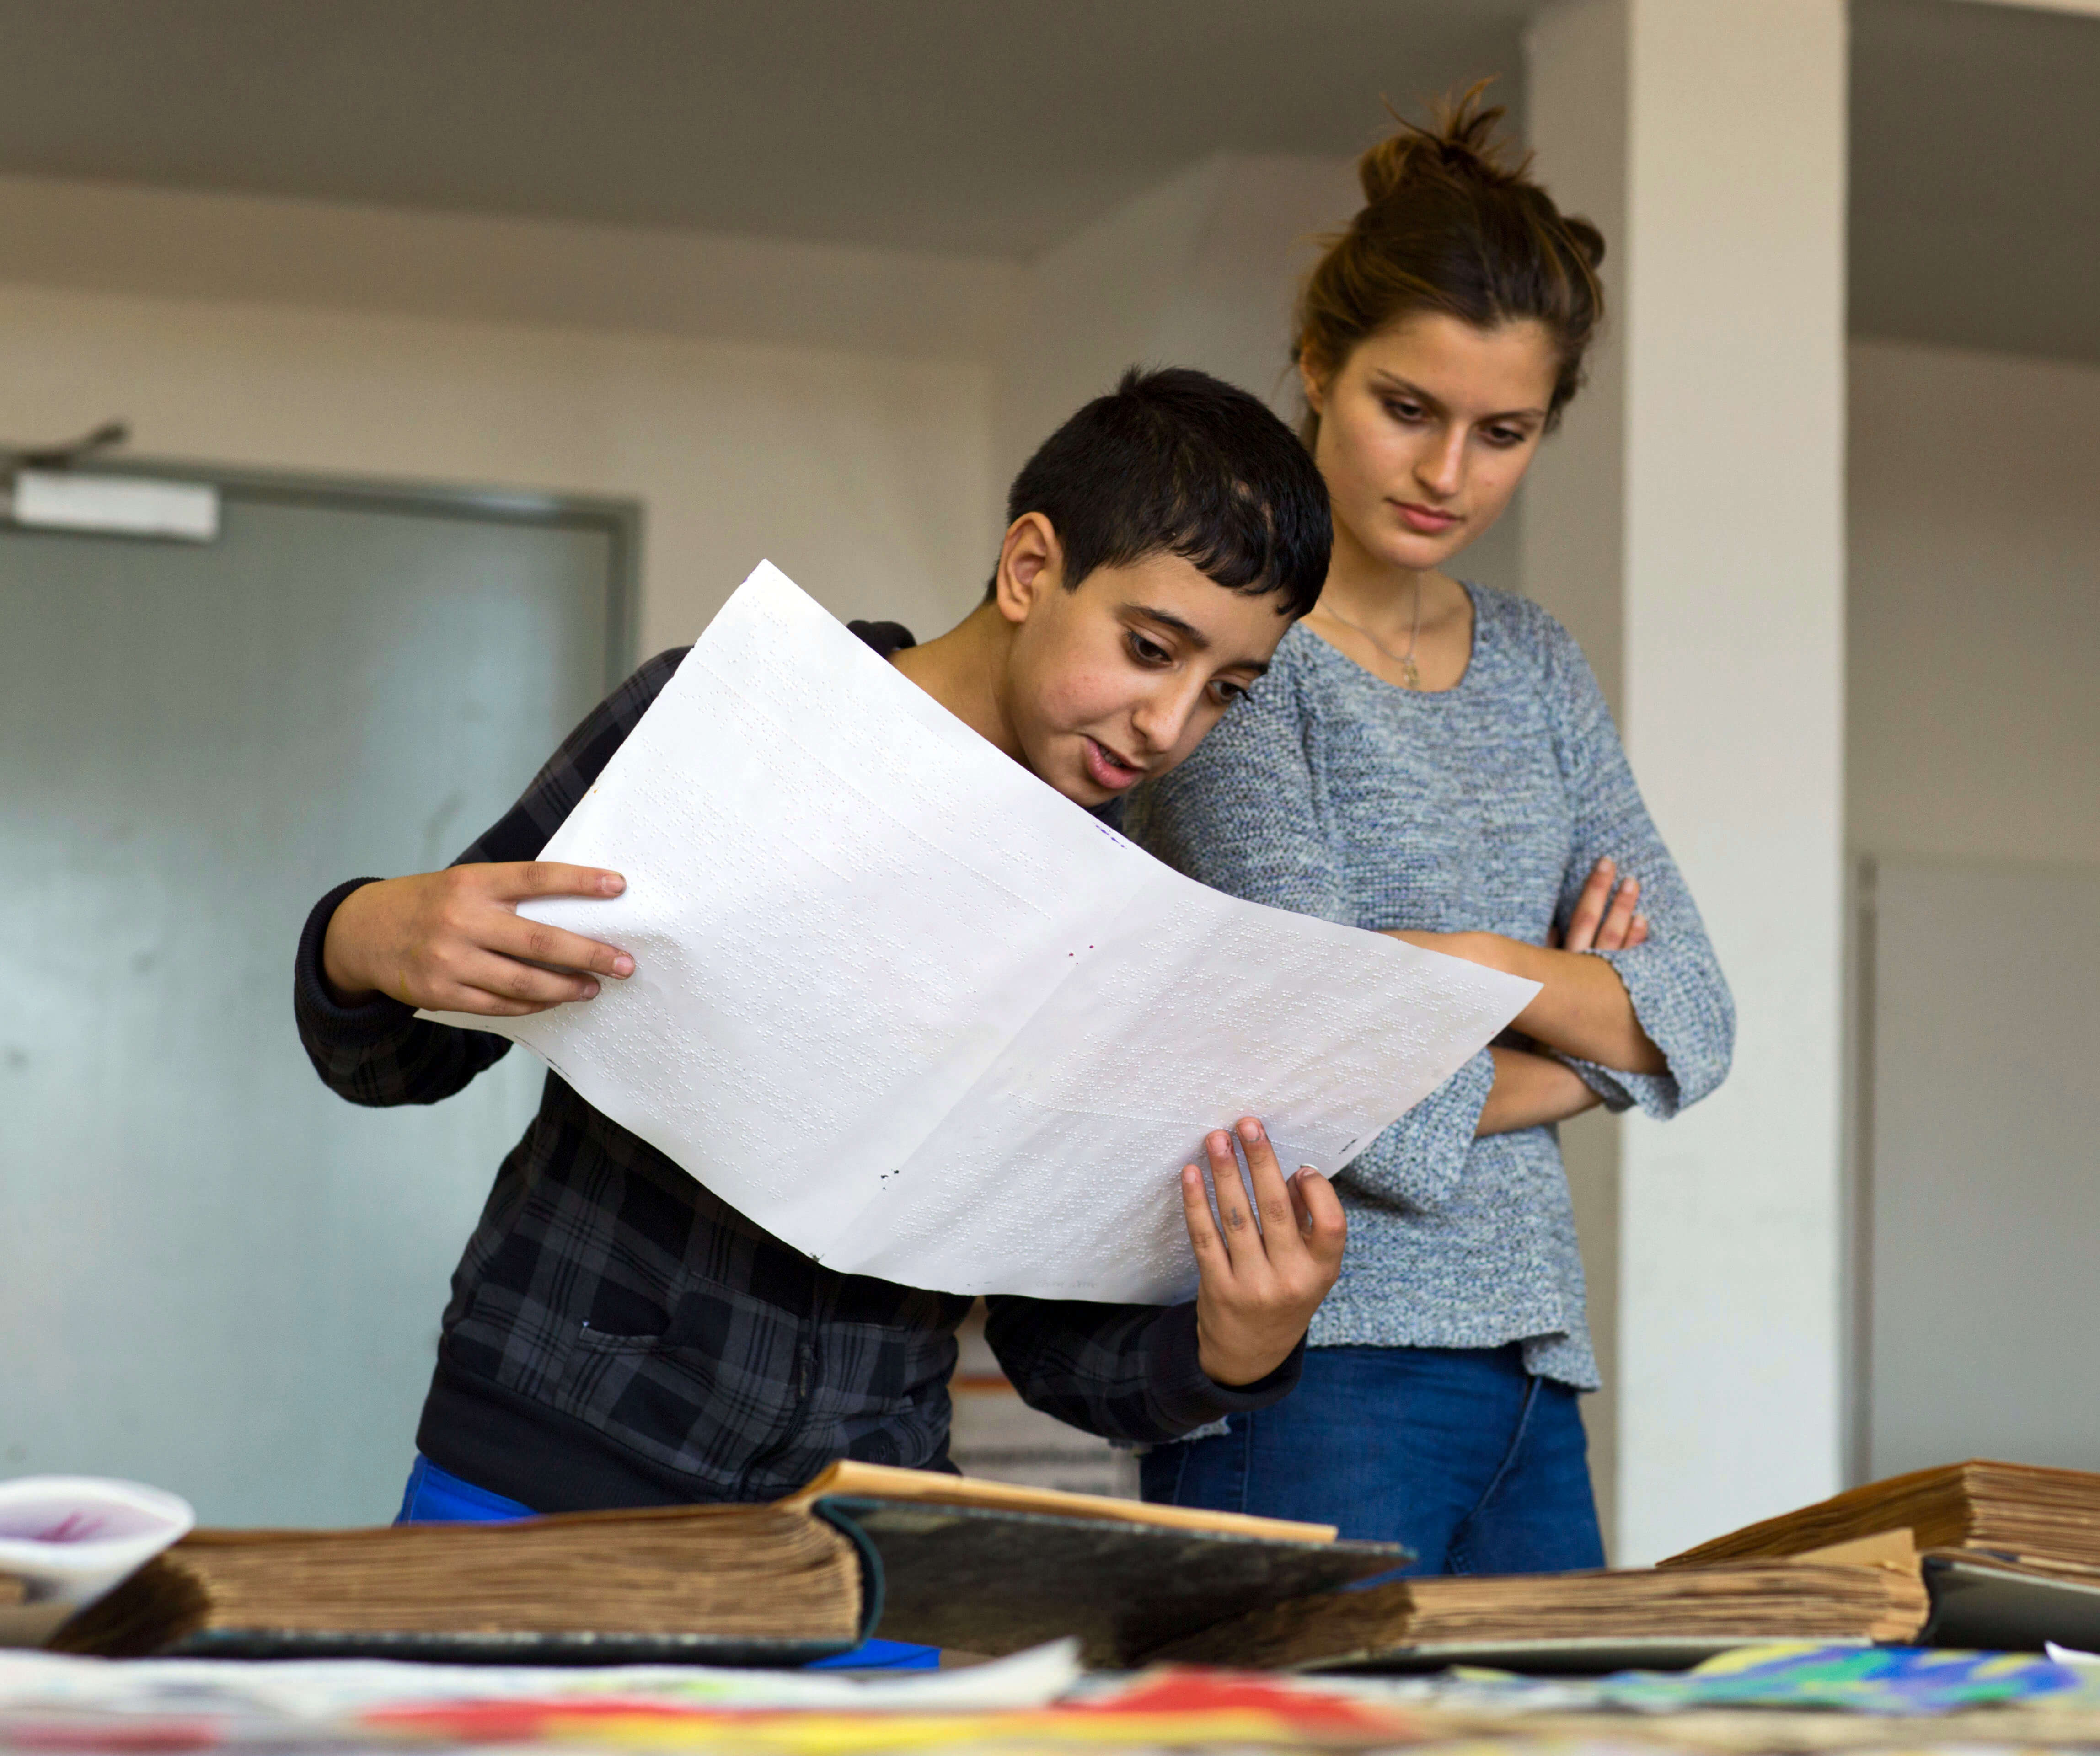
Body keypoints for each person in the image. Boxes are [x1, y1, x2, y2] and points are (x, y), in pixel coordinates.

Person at [294, 371, 1348, 1654]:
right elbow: (402, 1055)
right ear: (1029, 567)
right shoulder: (724, 724)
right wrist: (365, 934)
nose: (1172, 723)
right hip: (543, 1476)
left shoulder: (1122, 923)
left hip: (869, 1548)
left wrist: (1236, 1345)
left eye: (1226, 689)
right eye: (1149, 648)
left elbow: (1053, 1346)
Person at [1123, 96, 1734, 1574]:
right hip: (1311, 1364)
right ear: (1320, 370)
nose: (1447, 472)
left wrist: (1449, 964)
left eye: (1502, 431)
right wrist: (1597, 1050)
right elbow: (1344, 1092)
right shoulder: (1243, 668)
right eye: (1410, 409)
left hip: (1536, 1367)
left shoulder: (1536, 665)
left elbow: (1703, 1022)